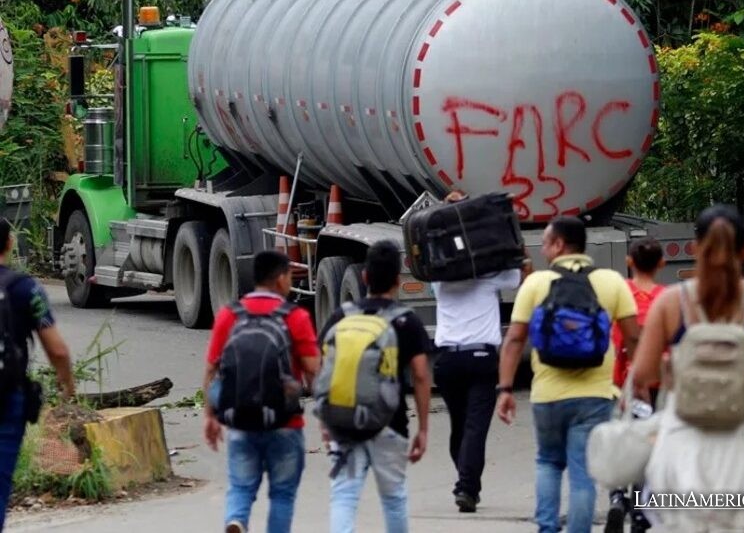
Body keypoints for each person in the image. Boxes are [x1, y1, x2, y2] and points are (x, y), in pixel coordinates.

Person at [629, 205, 744, 533]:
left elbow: (643, 375)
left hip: (685, 441)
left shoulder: (671, 302)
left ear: (695, 248)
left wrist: (669, 370)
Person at [496, 216, 641, 533]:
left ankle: (547, 529)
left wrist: (505, 389)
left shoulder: (535, 284)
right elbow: (634, 339)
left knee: (548, 462)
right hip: (595, 396)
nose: (543, 249)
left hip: (547, 395)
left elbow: (515, 339)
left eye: (546, 242)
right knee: (582, 474)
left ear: (560, 245)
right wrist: (639, 384)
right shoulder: (612, 282)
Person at [203, 250, 321, 533]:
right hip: (285, 422)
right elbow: (313, 370)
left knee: (241, 487)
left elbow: (211, 370)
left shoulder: (229, 315)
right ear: (281, 279)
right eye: (290, 276)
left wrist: (211, 415)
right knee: (282, 494)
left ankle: (236, 520)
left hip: (240, 419)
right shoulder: (296, 317)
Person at [319, 240, 432, 533]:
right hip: (390, 424)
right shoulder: (406, 321)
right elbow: (421, 374)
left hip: (343, 422)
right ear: (398, 280)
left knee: (344, 495)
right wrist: (423, 428)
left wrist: (325, 420)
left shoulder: (341, 316)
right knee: (393, 498)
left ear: (365, 277)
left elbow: (325, 369)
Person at [432, 191, 524, 513]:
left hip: (447, 361)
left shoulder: (440, 279)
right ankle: (467, 487)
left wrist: (450, 211)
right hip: (482, 359)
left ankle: (466, 480)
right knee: (475, 428)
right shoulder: (490, 276)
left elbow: (441, 244)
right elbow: (517, 273)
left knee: (460, 426)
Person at [0, 219, 75, 530]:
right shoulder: (25, 288)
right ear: (10, 243)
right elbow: (57, 350)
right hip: (6, 398)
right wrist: (67, 386)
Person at [606, 237, 665, 533]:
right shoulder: (665, 298)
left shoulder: (622, 292)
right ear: (661, 264)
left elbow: (615, 337)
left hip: (622, 378)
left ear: (629, 261)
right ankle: (641, 510)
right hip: (652, 380)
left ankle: (617, 496)